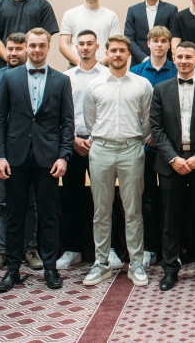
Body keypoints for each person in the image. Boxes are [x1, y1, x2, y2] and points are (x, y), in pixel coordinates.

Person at [0, 28, 74, 292]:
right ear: (25, 47)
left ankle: (50, 268)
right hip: (15, 158)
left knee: (48, 215)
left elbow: (67, 122)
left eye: (42, 45)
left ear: (49, 46)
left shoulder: (61, 80)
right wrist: (0, 156)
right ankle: (13, 269)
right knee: (15, 215)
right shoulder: (9, 78)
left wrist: (63, 156)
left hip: (48, 159)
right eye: (32, 45)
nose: (37, 50)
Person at [150, 42, 195, 291]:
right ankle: (170, 269)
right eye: (179, 57)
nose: (183, 61)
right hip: (171, 164)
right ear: (174, 58)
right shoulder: (160, 89)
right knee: (170, 219)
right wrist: (173, 158)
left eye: (188, 57)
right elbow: (156, 128)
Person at [82, 35, 153, 287]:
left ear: (129, 55)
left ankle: (135, 263)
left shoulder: (143, 84)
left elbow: (147, 121)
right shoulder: (95, 84)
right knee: (101, 210)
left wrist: (135, 141)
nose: (118, 54)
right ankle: (100, 263)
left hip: (131, 149)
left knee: (133, 210)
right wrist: (102, 139)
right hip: (100, 149)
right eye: (113, 50)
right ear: (107, 53)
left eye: (122, 50)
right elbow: (90, 121)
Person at [0, 33, 42, 272]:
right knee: (4, 204)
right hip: (0, 150)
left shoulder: (34, 76)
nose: (14, 53)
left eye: (19, 48)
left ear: (27, 50)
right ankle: (4, 250)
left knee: (30, 204)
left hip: (30, 150)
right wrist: (2, 145)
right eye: (10, 49)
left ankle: (30, 249)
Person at [57, 30, 112, 270]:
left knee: (105, 200)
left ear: (97, 47)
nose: (86, 47)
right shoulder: (64, 78)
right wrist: (72, 140)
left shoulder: (109, 76)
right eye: (81, 44)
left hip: (101, 143)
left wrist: (93, 138)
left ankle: (108, 250)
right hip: (73, 143)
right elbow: (58, 114)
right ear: (75, 48)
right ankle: (73, 249)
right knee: (72, 199)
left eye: (90, 44)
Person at [130, 26, 177, 268]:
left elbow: (181, 110)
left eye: (163, 41)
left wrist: (160, 135)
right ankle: (149, 248)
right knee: (147, 199)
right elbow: (130, 108)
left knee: (172, 200)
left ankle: (173, 250)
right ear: (147, 44)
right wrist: (147, 133)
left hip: (170, 147)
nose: (159, 45)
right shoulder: (135, 72)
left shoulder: (177, 69)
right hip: (142, 146)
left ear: (169, 44)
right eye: (154, 41)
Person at [59, 0, 121, 67]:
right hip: (76, 67)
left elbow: (115, 45)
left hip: (104, 68)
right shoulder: (70, 15)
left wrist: (98, 65)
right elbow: (63, 45)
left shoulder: (111, 16)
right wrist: (81, 64)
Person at [124, 0, 178, 65]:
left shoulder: (171, 9)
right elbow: (129, 39)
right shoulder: (133, 10)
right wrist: (144, 58)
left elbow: (172, 37)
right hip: (139, 63)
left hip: (164, 63)